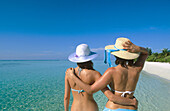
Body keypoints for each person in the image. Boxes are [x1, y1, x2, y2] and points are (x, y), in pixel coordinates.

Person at [66, 38, 148, 111]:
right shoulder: (137, 69)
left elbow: (91, 90)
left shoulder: (111, 71)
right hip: (131, 108)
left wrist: (73, 76)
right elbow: (145, 53)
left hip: (113, 108)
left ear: (116, 55)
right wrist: (138, 48)